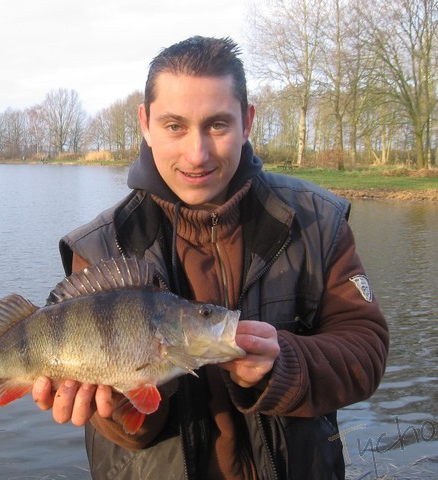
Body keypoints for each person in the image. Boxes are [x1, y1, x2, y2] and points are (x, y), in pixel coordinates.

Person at [32, 36, 389, 479]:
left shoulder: (317, 221)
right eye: (174, 126)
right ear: (145, 124)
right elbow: (131, 436)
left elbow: (366, 350)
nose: (197, 154)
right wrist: (119, 407)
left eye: (217, 125)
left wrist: (283, 365)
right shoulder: (103, 247)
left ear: (247, 122)